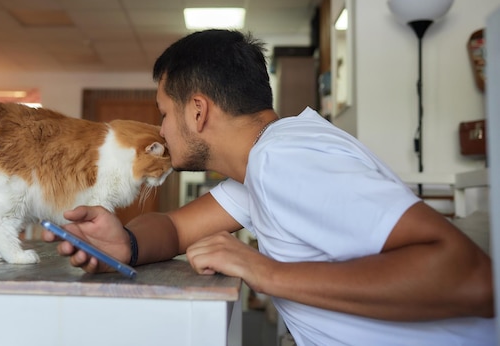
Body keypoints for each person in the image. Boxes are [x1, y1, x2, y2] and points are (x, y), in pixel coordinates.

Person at [44, 30, 495, 345]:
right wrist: (124, 242)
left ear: (197, 112)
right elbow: (177, 230)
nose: (161, 130)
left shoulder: (285, 160)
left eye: (164, 112)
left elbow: (472, 279)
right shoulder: (261, 164)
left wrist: (262, 270)